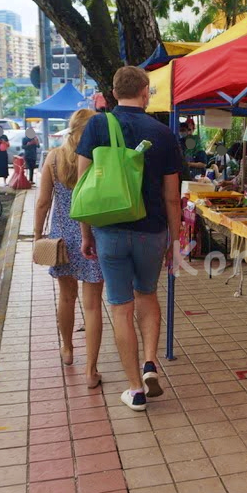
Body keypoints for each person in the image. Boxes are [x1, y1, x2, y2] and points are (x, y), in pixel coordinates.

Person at [76, 66, 181, 411]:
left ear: (113, 92)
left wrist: (86, 233)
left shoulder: (96, 125)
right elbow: (171, 196)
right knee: (147, 294)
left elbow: (83, 185)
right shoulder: (163, 133)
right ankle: (151, 362)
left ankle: (135, 389)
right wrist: (175, 240)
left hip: (109, 230)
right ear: (145, 91)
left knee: (121, 308)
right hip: (151, 231)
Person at [34, 108, 104, 388]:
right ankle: (91, 370)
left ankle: (67, 348)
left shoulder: (53, 158)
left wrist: (38, 235)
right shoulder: (99, 157)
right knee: (93, 305)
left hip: (62, 238)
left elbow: (42, 202)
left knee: (66, 297)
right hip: (94, 238)